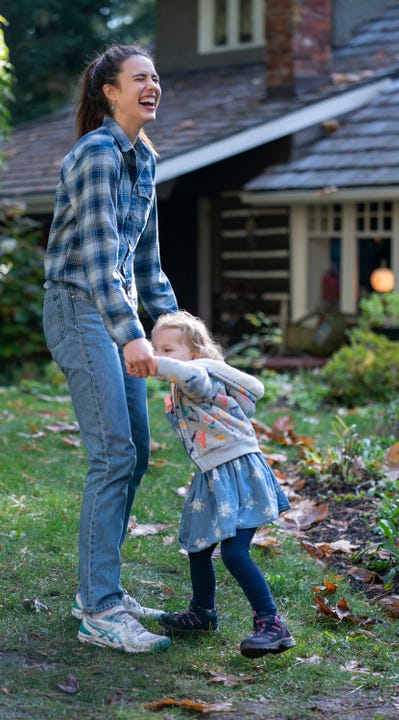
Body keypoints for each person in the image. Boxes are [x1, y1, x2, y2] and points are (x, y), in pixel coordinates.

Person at [42, 44, 178, 653]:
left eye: (155, 78)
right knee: (113, 455)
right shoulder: (97, 153)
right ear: (110, 93)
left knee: (138, 453)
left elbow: (146, 268)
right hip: (77, 308)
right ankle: (98, 607)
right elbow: (100, 261)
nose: (152, 86)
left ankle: (103, 590)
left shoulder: (144, 159)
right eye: (139, 79)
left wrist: (182, 332)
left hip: (108, 311)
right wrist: (132, 335)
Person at [151, 310, 295, 658]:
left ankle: (272, 624)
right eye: (155, 349)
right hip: (212, 473)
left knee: (233, 552)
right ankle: (202, 613)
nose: (159, 356)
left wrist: (154, 364)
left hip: (238, 471)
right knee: (198, 547)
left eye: (167, 350)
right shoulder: (181, 381)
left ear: (195, 354)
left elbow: (193, 380)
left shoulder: (199, 375)